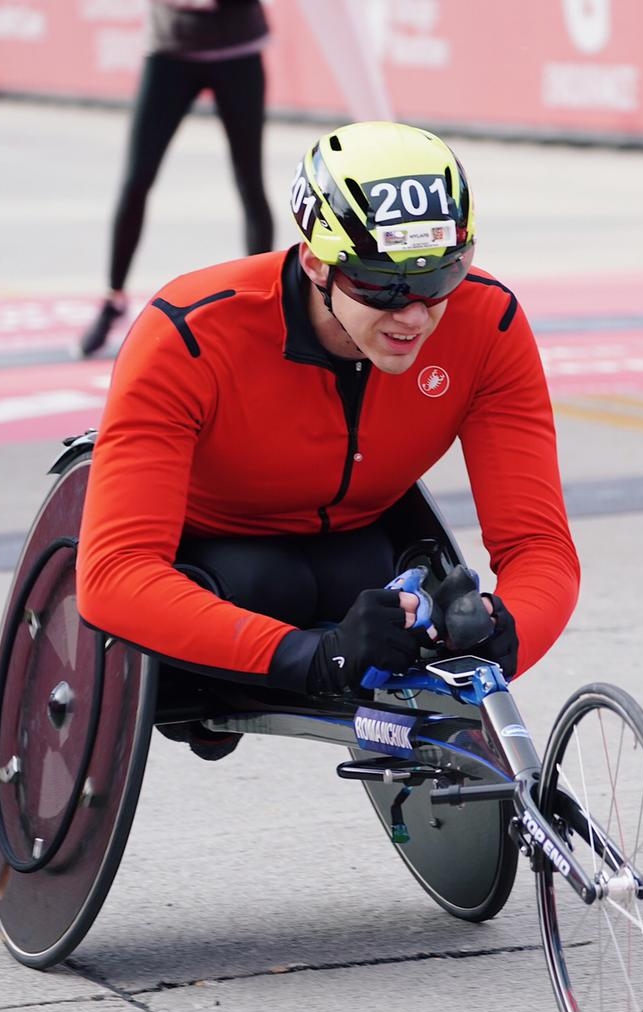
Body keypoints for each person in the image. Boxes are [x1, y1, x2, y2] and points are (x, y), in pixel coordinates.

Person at [76, 120, 581, 757]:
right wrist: (312, 658)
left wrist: (508, 635)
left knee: (412, 592)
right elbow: (113, 575)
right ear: (316, 260)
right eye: (380, 283)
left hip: (362, 554)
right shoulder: (189, 333)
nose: (413, 315)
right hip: (217, 564)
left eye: (437, 279)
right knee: (267, 580)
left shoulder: (490, 325)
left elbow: (541, 546)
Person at [76, 0, 275, 359]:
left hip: (237, 49)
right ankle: (113, 297)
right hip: (169, 49)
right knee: (137, 179)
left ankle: (266, 308)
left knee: (250, 182)